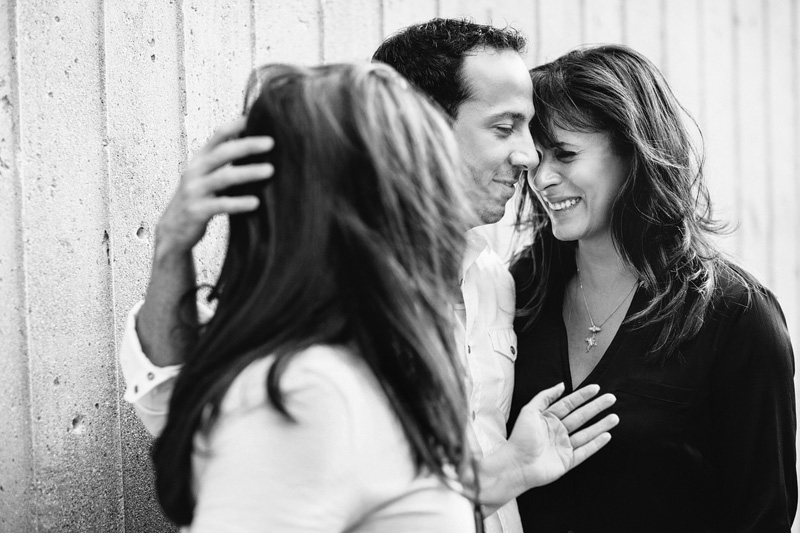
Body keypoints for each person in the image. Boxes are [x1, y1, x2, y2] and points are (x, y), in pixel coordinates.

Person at [121, 19, 618, 533]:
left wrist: (511, 470)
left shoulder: (497, 281)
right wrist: (172, 245)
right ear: (420, 131)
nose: (530, 156)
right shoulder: (312, 364)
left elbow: (398, 495)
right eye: (503, 126)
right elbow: (174, 403)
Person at [508, 44, 797, 532]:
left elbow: (763, 515)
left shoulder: (734, 315)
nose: (542, 178)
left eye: (565, 154)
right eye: (536, 159)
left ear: (633, 150)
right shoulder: (521, 292)